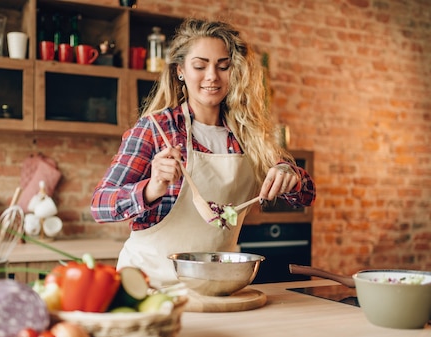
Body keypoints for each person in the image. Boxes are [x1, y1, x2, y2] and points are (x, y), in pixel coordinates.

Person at [91, 18, 315, 286]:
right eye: (200, 66)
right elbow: (100, 204)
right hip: (150, 285)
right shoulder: (156, 129)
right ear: (180, 71)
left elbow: (306, 195)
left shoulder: (249, 135)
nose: (212, 76)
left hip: (216, 285)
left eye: (223, 66)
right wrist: (151, 188)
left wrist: (289, 174)